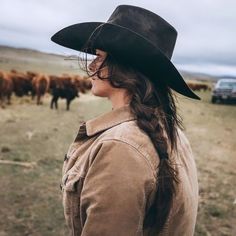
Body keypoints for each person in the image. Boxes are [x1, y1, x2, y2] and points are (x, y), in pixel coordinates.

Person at [51, 5, 199, 236]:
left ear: (124, 64)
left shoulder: (120, 147)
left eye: (99, 56)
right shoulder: (171, 130)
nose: (91, 65)